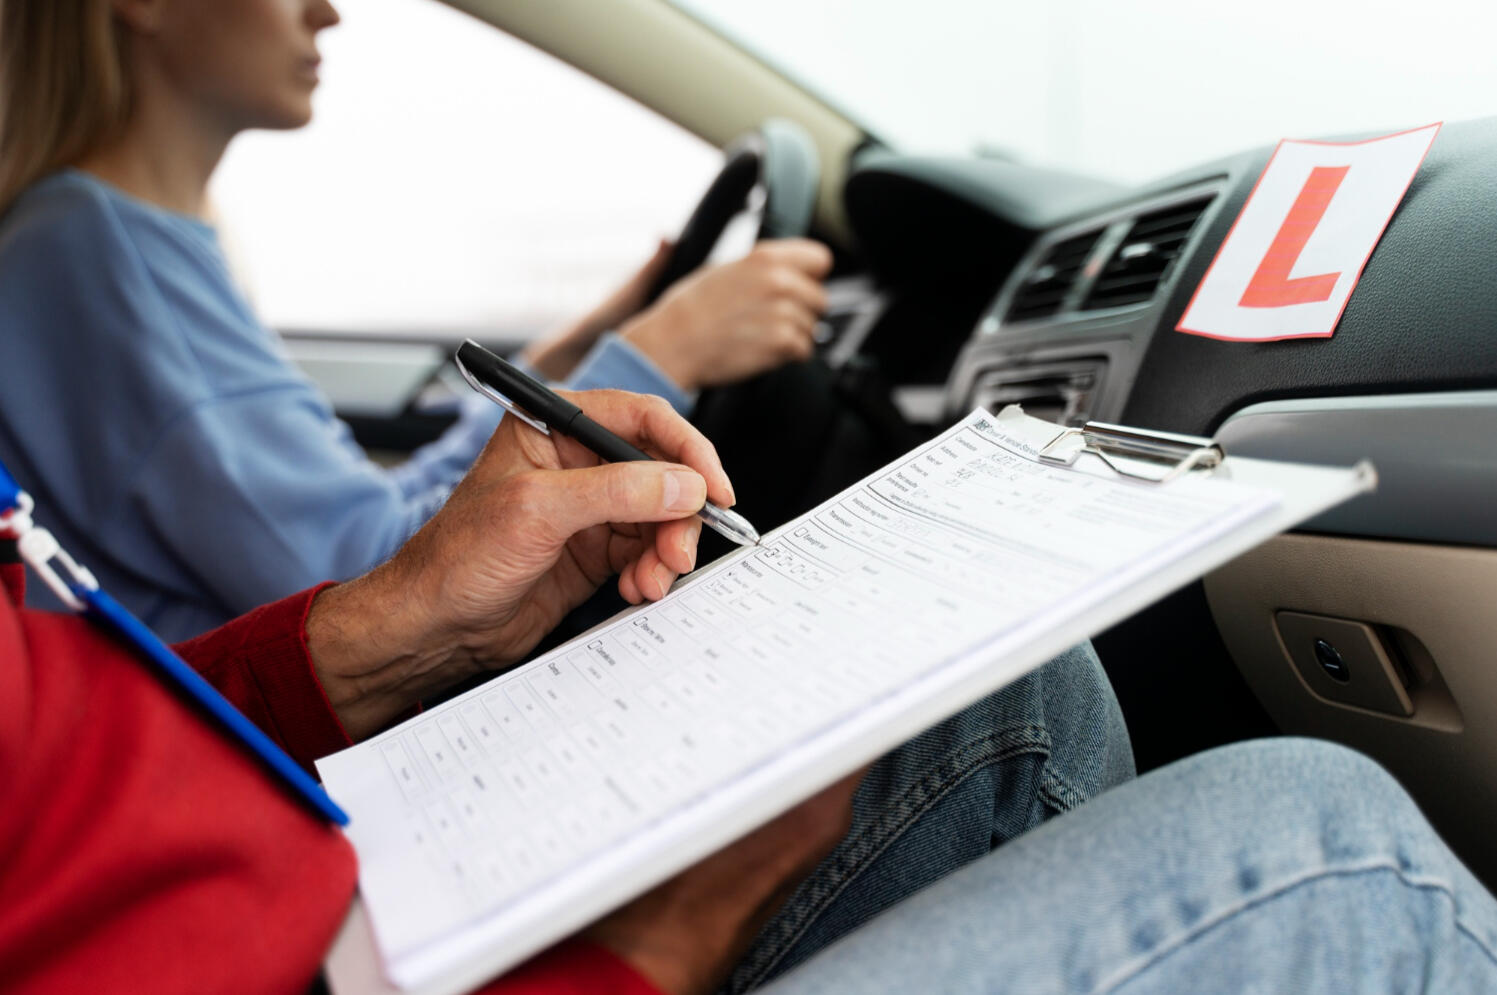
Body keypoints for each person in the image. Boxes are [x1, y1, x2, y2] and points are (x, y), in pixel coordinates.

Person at [4, 389, 1493, 994]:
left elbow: (61, 767)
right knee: (1332, 848)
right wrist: (654, 933)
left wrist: (380, 634)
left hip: (304, 918)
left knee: (1004, 686)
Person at [0, 0, 834, 641]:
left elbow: (364, 510)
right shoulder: (98, 255)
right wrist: (667, 347)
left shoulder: (111, 239)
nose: (328, 11)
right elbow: (371, 584)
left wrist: (586, 347)